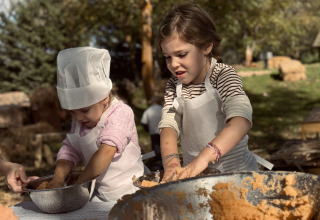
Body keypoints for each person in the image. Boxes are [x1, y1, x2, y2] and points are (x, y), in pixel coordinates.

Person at [157, 3, 273, 182]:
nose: (173, 64)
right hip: (195, 179)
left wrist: (204, 157)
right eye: (167, 57)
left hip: (237, 177)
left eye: (181, 54)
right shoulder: (174, 85)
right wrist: (171, 161)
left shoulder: (222, 76)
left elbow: (241, 120)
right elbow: (168, 125)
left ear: (206, 46)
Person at [49, 47, 148, 202]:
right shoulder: (80, 122)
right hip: (101, 195)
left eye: (84, 110)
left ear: (104, 99)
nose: (78, 118)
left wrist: (78, 186)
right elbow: (69, 150)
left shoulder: (120, 113)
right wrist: (58, 178)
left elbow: (106, 151)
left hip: (133, 191)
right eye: (72, 113)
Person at [140, 95, 163, 170]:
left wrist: (148, 129)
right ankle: (164, 162)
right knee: (164, 146)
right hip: (163, 131)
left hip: (153, 132)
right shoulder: (162, 109)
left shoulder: (148, 110)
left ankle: (158, 164)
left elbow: (143, 122)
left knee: (156, 148)